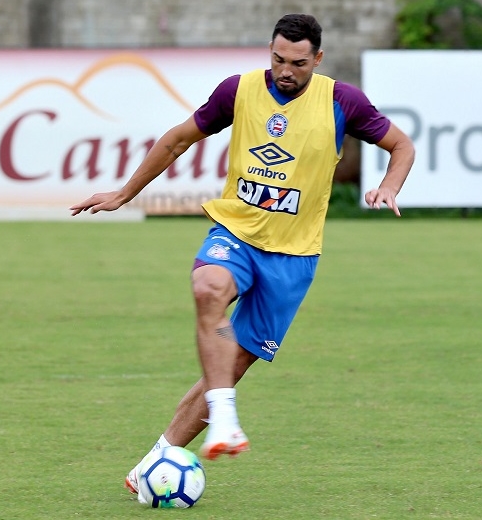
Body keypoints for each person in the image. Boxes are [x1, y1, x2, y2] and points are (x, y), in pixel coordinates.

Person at [70, 13, 414, 501]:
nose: (285, 71)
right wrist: (125, 194)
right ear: (268, 52)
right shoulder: (239, 90)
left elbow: (400, 145)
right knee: (207, 287)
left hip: (293, 257)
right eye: (277, 59)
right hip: (236, 232)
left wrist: (388, 184)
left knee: (228, 366)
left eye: (297, 62)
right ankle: (225, 418)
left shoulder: (342, 101)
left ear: (318, 58)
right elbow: (177, 139)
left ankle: (158, 457)